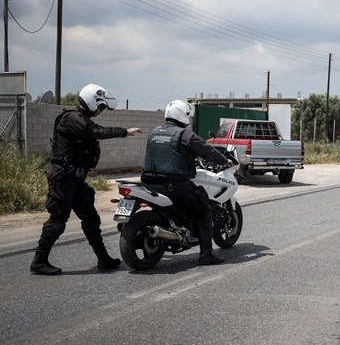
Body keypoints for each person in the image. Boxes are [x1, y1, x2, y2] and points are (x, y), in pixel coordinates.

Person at [31, 84, 142, 275]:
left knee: (91, 218)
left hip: (76, 179)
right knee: (57, 220)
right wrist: (124, 131)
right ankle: (39, 262)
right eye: (101, 107)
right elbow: (96, 131)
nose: (101, 111)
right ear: (92, 102)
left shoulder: (81, 119)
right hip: (64, 178)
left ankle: (103, 259)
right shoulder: (72, 118)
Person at [140, 99, 230, 266]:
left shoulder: (154, 132)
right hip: (174, 184)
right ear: (182, 116)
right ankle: (206, 254)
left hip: (149, 182)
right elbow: (207, 151)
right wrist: (225, 161)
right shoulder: (186, 135)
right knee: (203, 208)